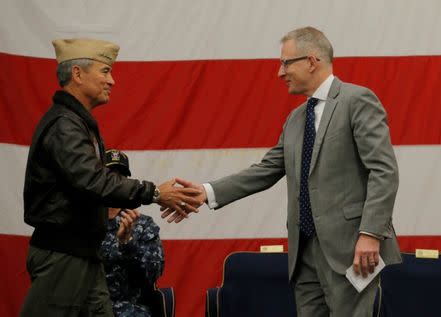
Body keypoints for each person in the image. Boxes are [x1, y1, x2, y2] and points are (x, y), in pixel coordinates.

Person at [163, 27, 401, 316]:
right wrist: (205, 192)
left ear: (312, 61)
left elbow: (384, 171)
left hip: (351, 250)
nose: (280, 72)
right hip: (304, 256)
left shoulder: (357, 100)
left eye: (286, 63)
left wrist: (370, 234)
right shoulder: (296, 118)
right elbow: (266, 170)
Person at [20, 38, 200, 316]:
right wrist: (154, 193)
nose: (112, 80)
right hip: (64, 254)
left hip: (83, 254)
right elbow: (92, 181)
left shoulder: (77, 124)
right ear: (77, 74)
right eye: (105, 71)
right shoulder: (65, 125)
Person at [100, 149, 164, 317]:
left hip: (130, 309)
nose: (115, 181)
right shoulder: (83, 222)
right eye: (109, 175)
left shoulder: (143, 224)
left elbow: (152, 275)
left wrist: (128, 245)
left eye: (121, 177)